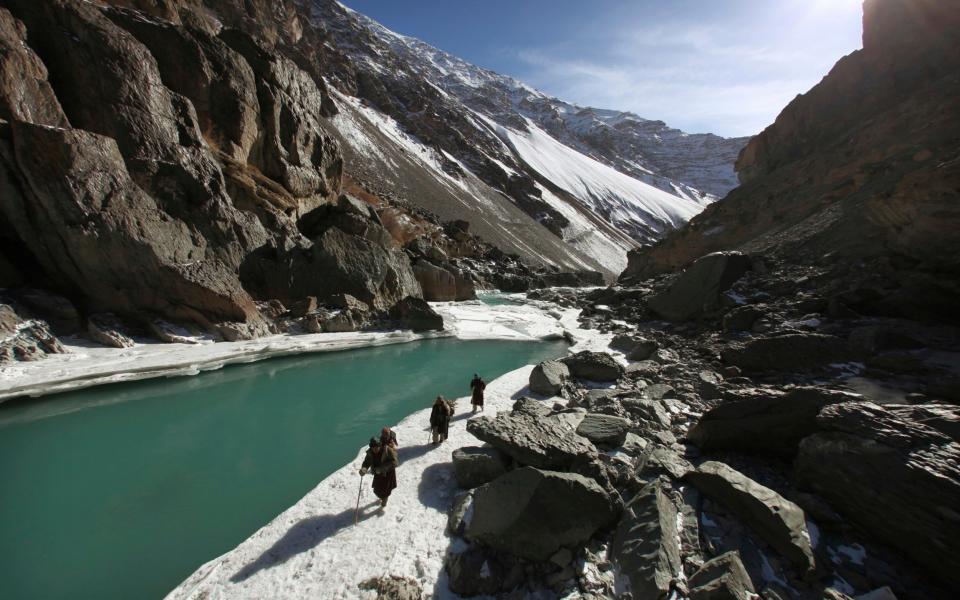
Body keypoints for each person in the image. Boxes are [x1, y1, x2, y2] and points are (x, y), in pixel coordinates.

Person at [359, 428, 398, 508]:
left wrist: (382, 468)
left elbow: (394, 462)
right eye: (373, 448)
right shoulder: (370, 453)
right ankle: (382, 497)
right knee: (377, 490)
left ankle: (384, 501)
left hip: (388, 473)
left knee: (385, 490)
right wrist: (364, 469)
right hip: (377, 473)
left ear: (380, 445)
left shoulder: (388, 450)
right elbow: (367, 462)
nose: (375, 449)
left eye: (377, 447)